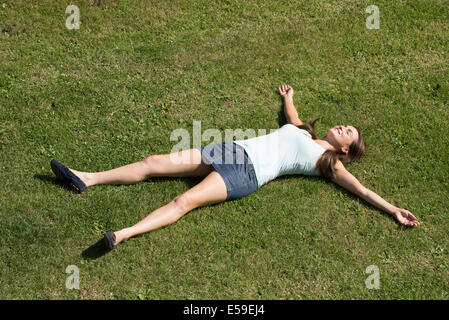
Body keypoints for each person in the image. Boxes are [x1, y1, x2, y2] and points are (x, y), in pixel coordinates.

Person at [50, 84, 419, 249]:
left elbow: (363, 190)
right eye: (344, 125)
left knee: (184, 203)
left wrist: (393, 210)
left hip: (247, 174)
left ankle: (124, 234)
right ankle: (86, 178)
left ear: (346, 150)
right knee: (152, 163)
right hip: (231, 149)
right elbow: (291, 117)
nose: (342, 127)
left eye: (348, 133)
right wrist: (289, 97)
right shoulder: (304, 133)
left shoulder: (328, 164)